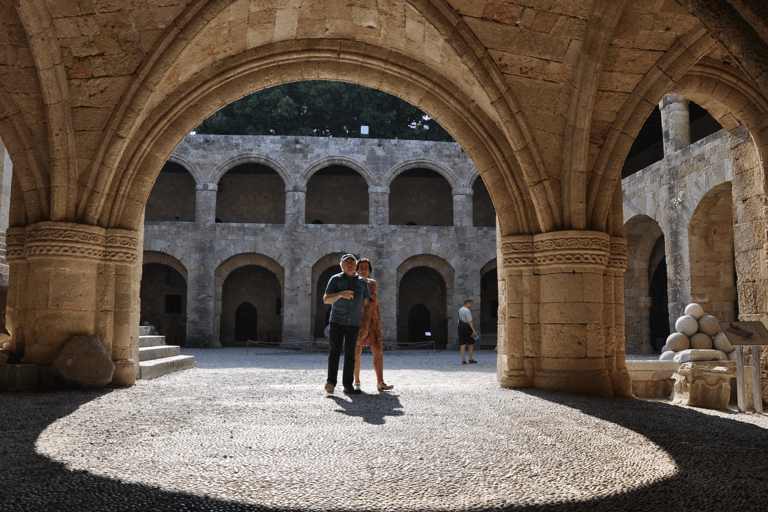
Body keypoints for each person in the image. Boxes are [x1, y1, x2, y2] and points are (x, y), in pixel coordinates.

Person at [323, 254, 372, 395]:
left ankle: (348, 386)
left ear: (355, 265)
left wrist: (366, 324)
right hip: (337, 321)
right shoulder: (335, 279)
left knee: (351, 354)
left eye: (352, 262)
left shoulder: (362, 282)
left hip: (354, 322)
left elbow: (367, 305)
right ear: (342, 265)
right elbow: (326, 299)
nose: (349, 264)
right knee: (335, 351)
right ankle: (331, 382)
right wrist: (341, 294)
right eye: (346, 262)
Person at [353, 258, 394, 392]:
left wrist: (376, 322)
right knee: (356, 352)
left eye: (366, 267)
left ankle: (380, 382)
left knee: (378, 351)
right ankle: (357, 382)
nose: (364, 269)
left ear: (369, 270)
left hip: (373, 321)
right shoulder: (352, 283)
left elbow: (373, 302)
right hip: (357, 321)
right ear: (357, 269)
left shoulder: (372, 283)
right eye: (361, 267)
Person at [458, 299, 478, 364]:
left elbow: (458, 320)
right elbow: (469, 321)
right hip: (467, 327)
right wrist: (474, 330)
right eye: (471, 304)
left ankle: (463, 360)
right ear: (468, 303)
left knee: (462, 344)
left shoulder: (460, 310)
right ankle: (470, 359)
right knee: (471, 343)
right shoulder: (467, 311)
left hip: (460, 326)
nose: (471, 305)